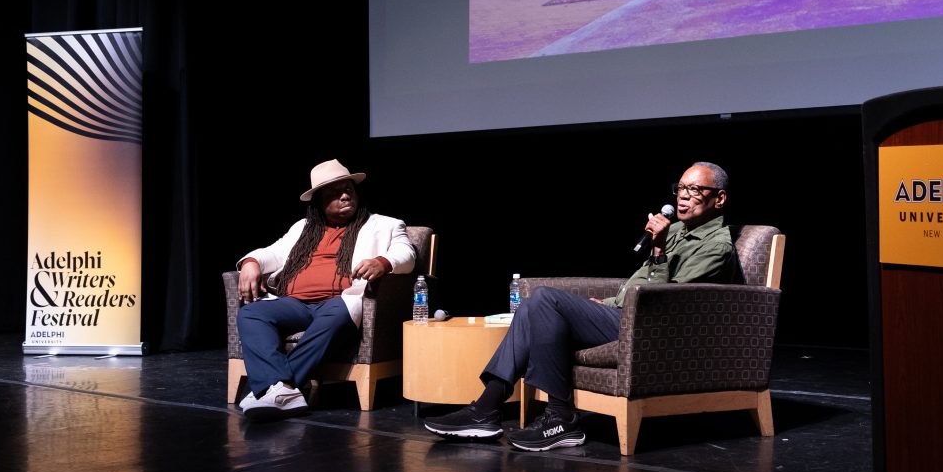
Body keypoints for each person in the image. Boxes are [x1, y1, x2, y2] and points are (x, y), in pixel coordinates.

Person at [424, 162, 737, 451]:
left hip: (651, 328)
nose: (683, 196)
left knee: (545, 299)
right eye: (680, 188)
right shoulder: (677, 230)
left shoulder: (717, 247)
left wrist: (657, 249)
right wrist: (605, 303)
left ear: (719, 199)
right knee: (533, 307)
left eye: (695, 190)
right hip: (625, 315)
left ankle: (556, 417)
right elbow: (638, 285)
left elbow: (663, 302)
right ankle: (487, 409)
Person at [235, 159, 416, 421]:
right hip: (296, 304)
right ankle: (281, 388)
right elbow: (272, 253)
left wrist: (382, 262)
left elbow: (406, 254)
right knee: (251, 313)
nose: (345, 196)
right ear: (320, 202)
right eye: (335, 193)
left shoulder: (385, 225)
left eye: (348, 190)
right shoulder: (303, 228)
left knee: (336, 314)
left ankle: (269, 388)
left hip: (339, 302)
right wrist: (251, 262)